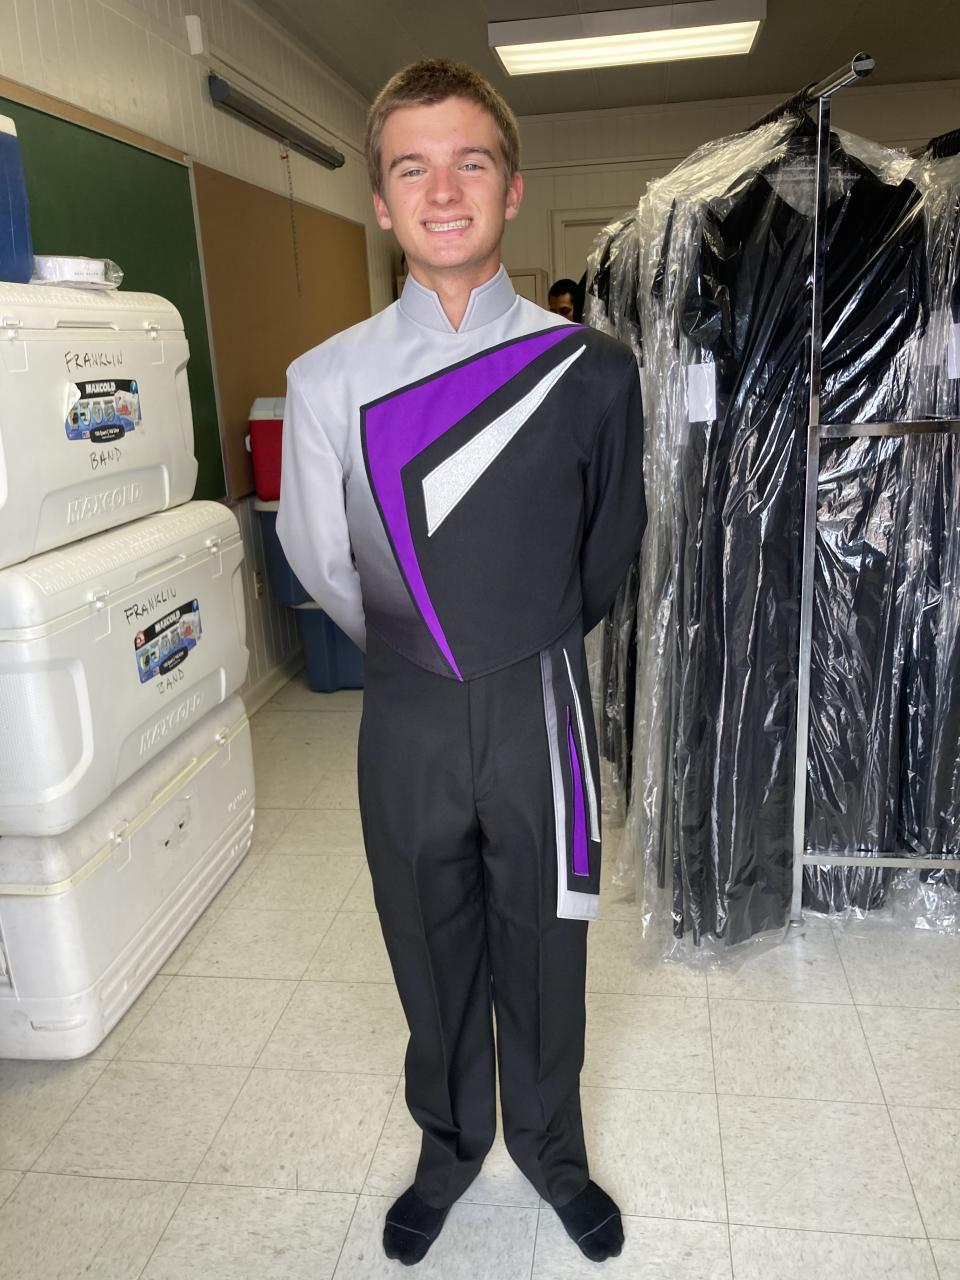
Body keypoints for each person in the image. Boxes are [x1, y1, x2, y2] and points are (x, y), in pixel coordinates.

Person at [277, 57, 645, 1267]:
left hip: (540, 698)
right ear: (381, 199)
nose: (443, 190)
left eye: (469, 161)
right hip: (407, 710)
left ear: (511, 185)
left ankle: (551, 1149)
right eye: (412, 167)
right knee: (426, 945)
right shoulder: (326, 381)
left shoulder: (595, 371)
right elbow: (322, 560)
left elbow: (608, 553)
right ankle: (448, 1147)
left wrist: (519, 634)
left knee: (546, 941)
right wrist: (419, 643)